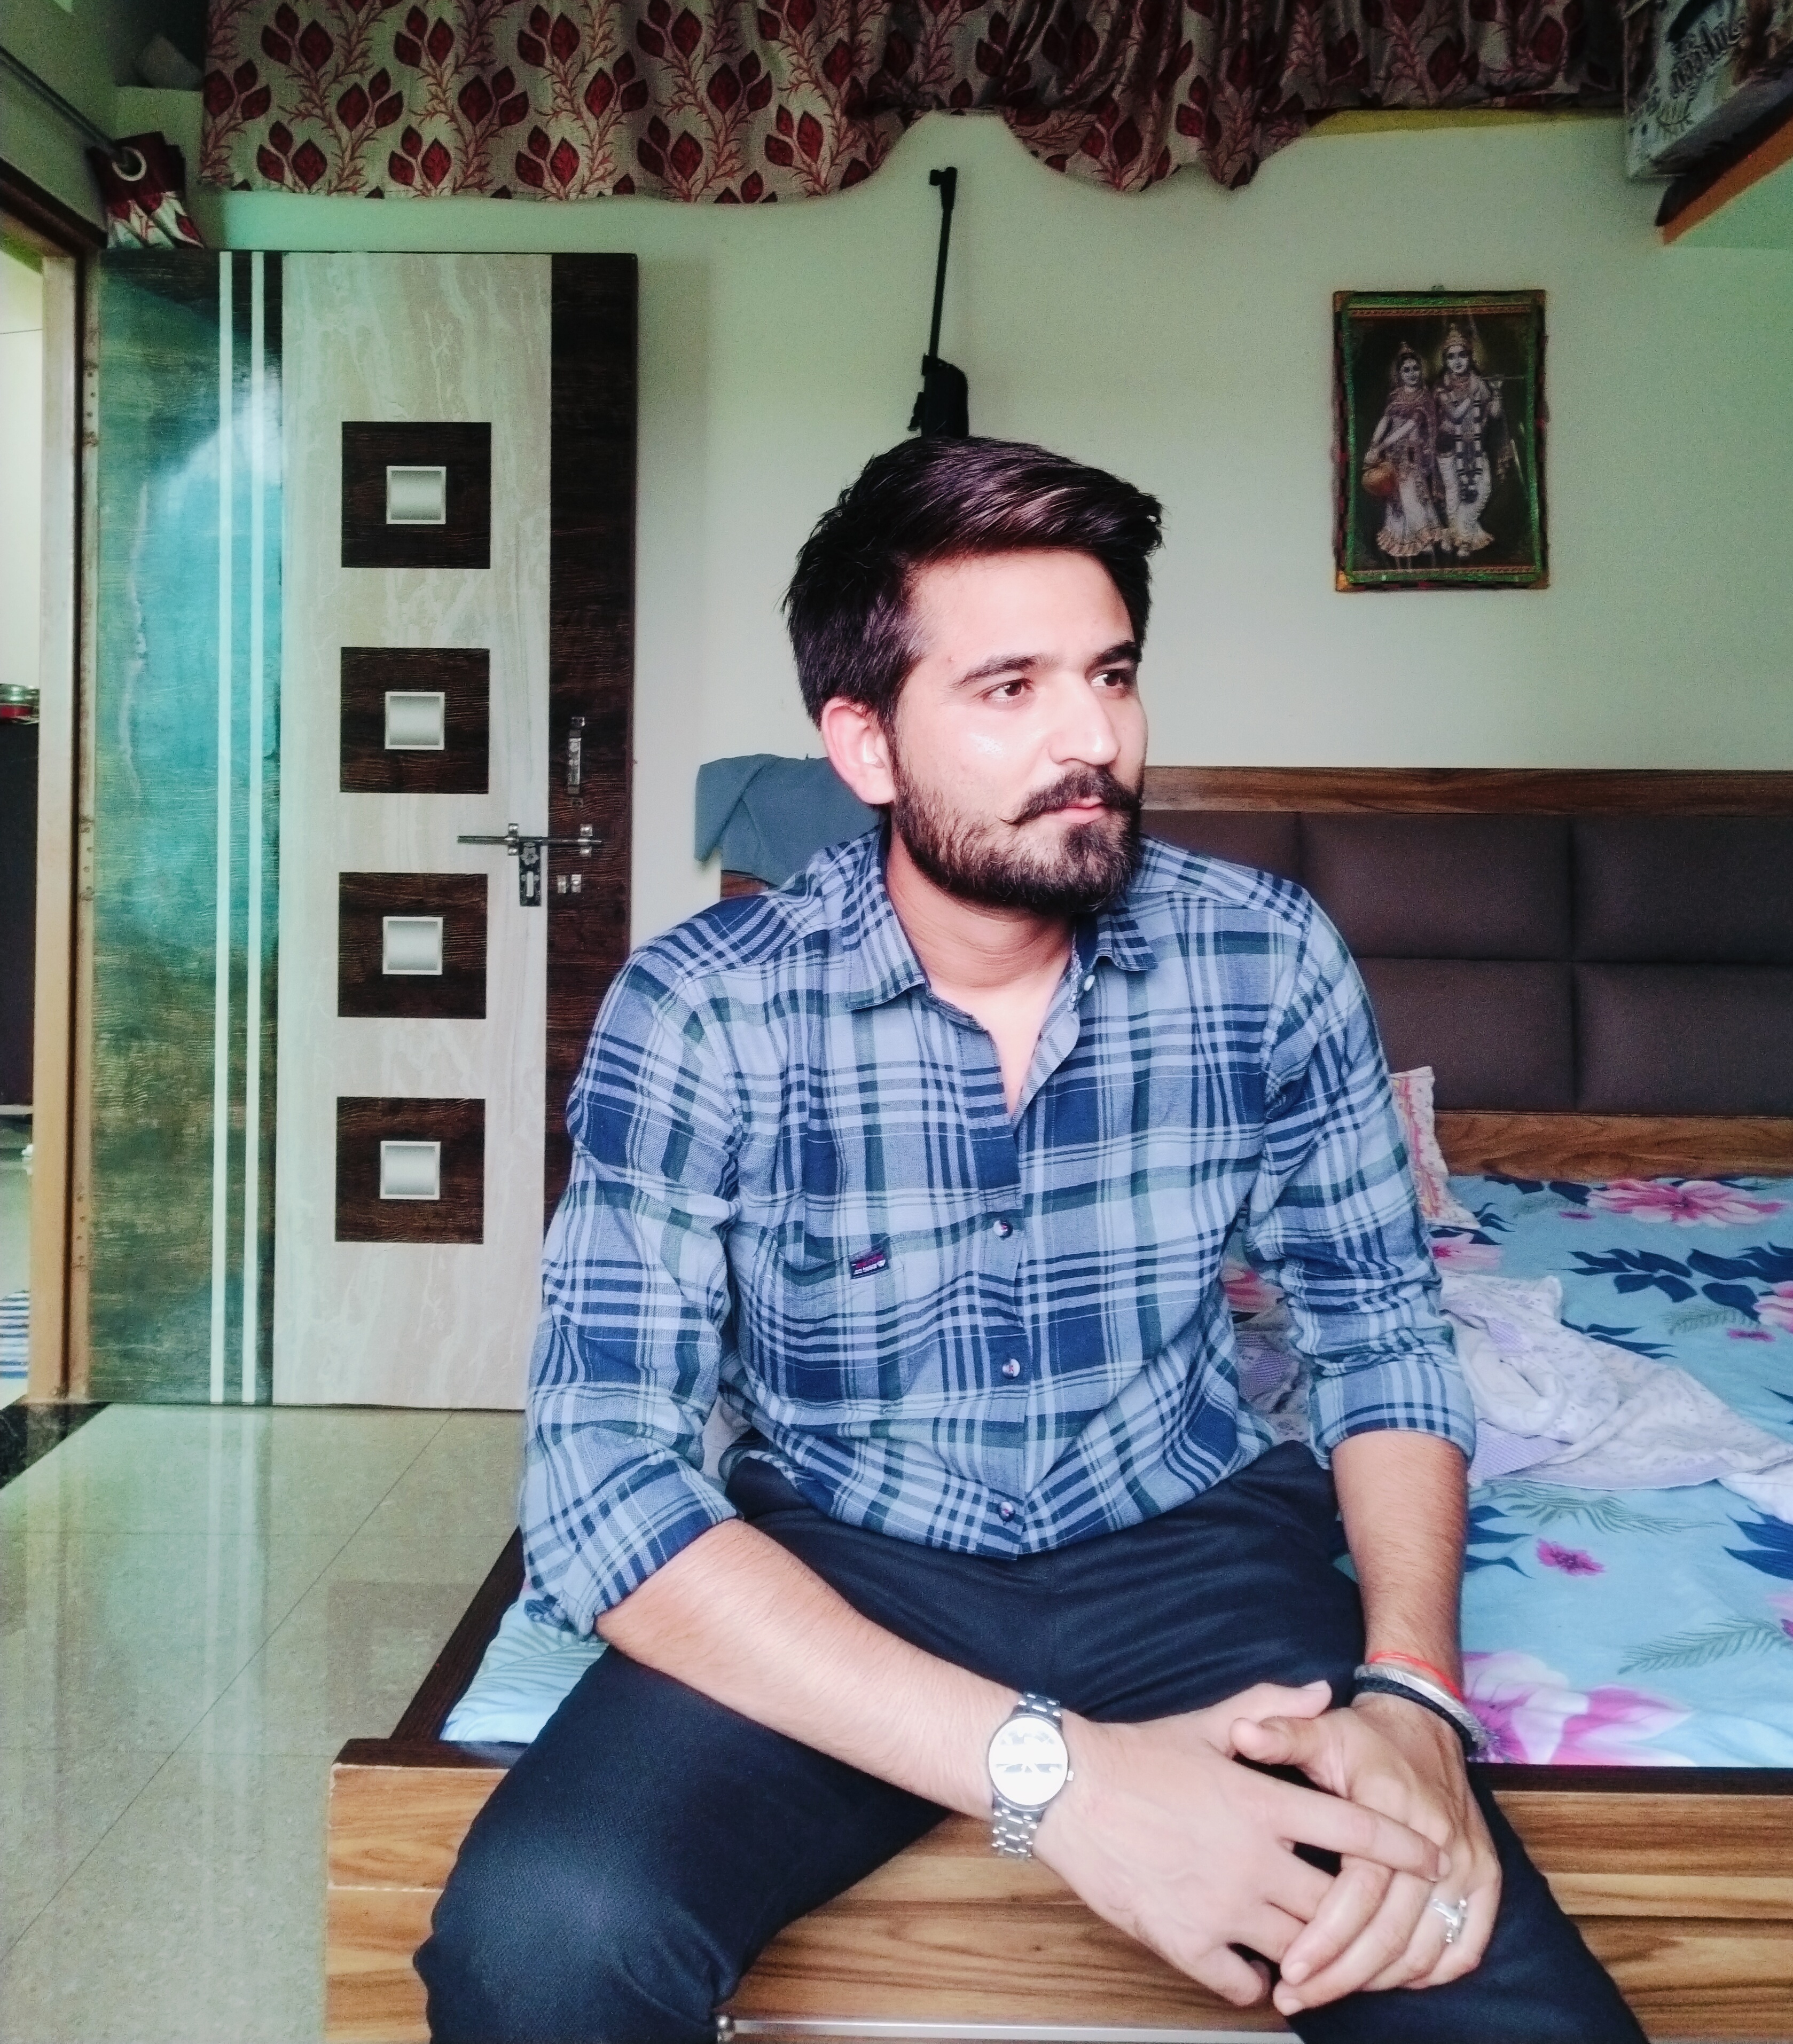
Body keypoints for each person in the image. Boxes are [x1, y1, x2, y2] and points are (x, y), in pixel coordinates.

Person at [417, 437, 1645, 2044]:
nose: (1094, 739)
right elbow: (598, 1479)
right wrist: (1063, 1781)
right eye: (1010, 686)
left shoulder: (1264, 958)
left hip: (1191, 1551)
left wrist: (1411, 1688)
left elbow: (1377, 1325)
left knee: (1494, 2003)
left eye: (1111, 673)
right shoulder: (705, 1008)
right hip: (846, 1557)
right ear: (864, 742)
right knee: (539, 1940)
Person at [1431, 322, 1514, 555]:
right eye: (1451, 357)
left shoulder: (1480, 383)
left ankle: (1455, 534)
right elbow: (1455, 415)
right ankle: (1465, 540)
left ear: (1470, 357)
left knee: (1484, 488)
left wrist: (1496, 391)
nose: (1457, 361)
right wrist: (1473, 394)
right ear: (1445, 361)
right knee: (1453, 494)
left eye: (1462, 355)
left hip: (1475, 448)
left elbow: (1494, 414)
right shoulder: (1442, 387)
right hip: (1449, 449)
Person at [1361, 345, 1442, 561]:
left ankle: (1425, 538)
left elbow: (1410, 425)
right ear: (1399, 374)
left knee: (1411, 495)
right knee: (1395, 496)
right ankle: (1405, 539)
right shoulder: (1396, 395)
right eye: (1407, 370)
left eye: (1416, 369)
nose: (1412, 374)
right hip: (1392, 455)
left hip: (1413, 455)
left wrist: (1381, 446)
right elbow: (1386, 419)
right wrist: (1373, 444)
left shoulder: (1424, 397)